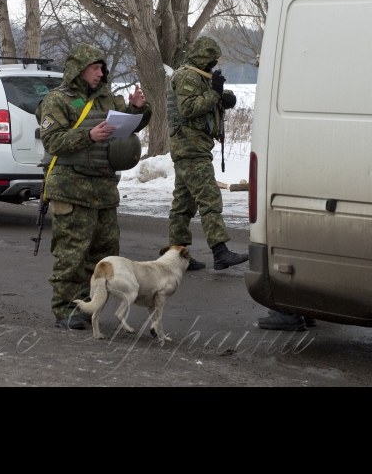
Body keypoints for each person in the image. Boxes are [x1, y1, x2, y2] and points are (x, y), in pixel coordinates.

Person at [37, 44, 151, 329]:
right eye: (95, 68)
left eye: (102, 69)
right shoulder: (57, 101)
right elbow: (53, 141)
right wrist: (88, 135)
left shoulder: (107, 100)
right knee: (71, 255)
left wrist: (139, 109)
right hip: (70, 189)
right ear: (79, 70)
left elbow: (130, 126)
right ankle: (65, 309)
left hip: (103, 191)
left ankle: (88, 305)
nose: (101, 73)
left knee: (104, 254)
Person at [166, 36, 247, 271]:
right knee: (209, 198)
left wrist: (222, 96)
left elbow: (206, 97)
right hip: (190, 148)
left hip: (192, 147)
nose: (215, 62)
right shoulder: (187, 75)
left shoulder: (197, 75)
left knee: (183, 204)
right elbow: (189, 108)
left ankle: (176, 257)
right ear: (204, 56)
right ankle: (220, 252)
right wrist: (215, 94)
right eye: (213, 57)